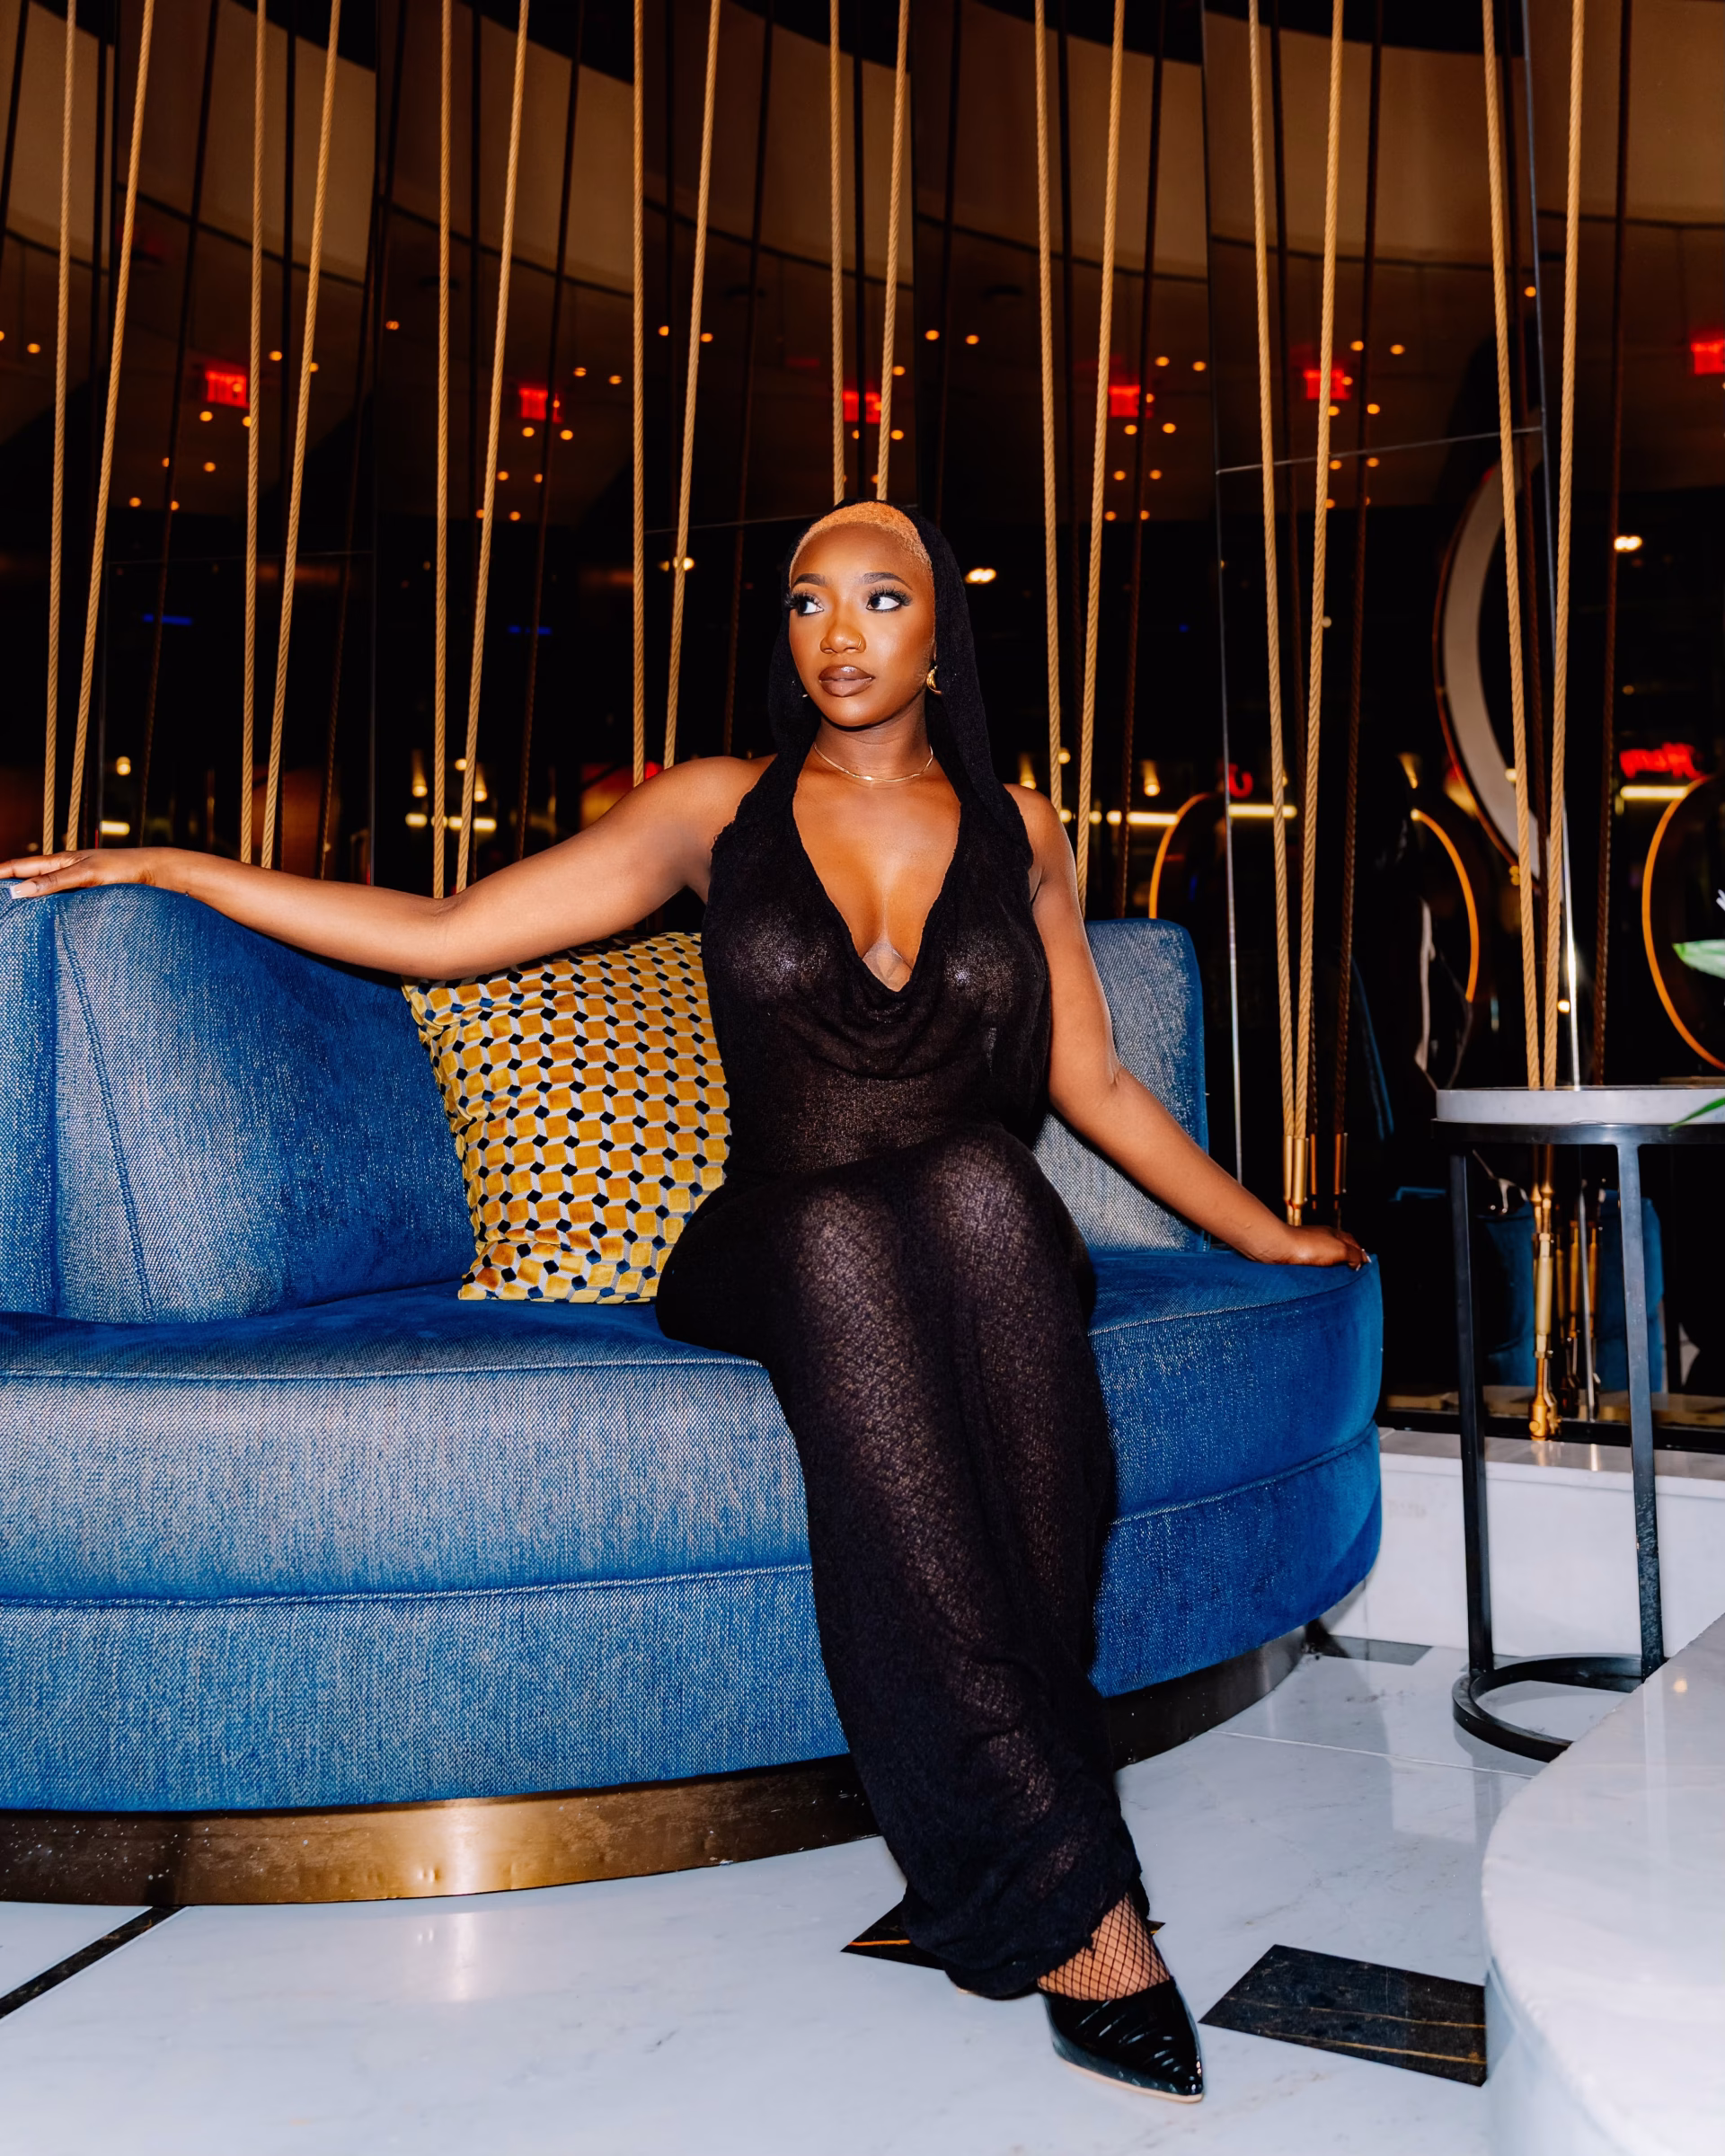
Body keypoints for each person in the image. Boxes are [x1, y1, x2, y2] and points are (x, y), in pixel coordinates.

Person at [2, 501, 1362, 2100]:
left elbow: (1095, 1080)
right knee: (862, 1231)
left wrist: (1265, 1233)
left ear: (941, 632)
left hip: (971, 1239)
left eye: (881, 598)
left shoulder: (1025, 829)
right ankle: (1083, 1897)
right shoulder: (716, 810)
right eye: (807, 599)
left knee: (986, 1188)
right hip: (776, 1238)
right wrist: (170, 861)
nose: (840, 632)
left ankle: (1019, 1842)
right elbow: (448, 935)